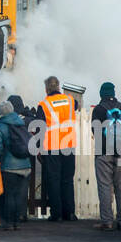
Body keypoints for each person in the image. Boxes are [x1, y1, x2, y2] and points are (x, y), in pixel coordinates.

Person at [90, 82, 121, 231]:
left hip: (103, 153)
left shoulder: (98, 110)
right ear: (113, 93)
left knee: (104, 186)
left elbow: (95, 131)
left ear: (101, 94)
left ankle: (107, 222)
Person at [37, 76, 76, 221]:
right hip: (69, 145)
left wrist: (39, 149)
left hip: (52, 147)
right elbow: (76, 105)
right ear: (58, 87)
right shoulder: (70, 100)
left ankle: (57, 214)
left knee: (54, 180)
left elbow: (39, 128)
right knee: (67, 179)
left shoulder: (44, 104)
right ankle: (70, 213)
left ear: (46, 89)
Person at [0, 99, 32, 229]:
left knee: (9, 195)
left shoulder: (0, 125)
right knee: (20, 195)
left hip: (9, 166)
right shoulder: (21, 122)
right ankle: (17, 221)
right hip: (25, 165)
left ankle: (8, 223)